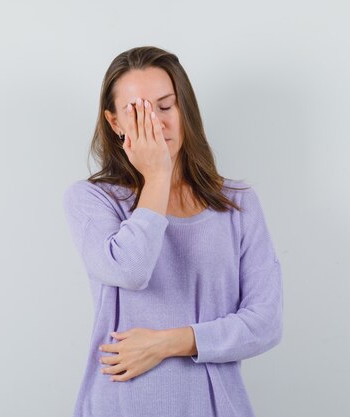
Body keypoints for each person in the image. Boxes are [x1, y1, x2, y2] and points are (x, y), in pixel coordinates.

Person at [62, 45, 283, 417]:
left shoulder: (237, 204)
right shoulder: (92, 200)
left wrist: (169, 342)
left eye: (165, 107)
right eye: (138, 113)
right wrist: (159, 174)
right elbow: (129, 270)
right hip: (122, 405)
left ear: (185, 110)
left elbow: (266, 322)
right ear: (115, 123)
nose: (157, 123)